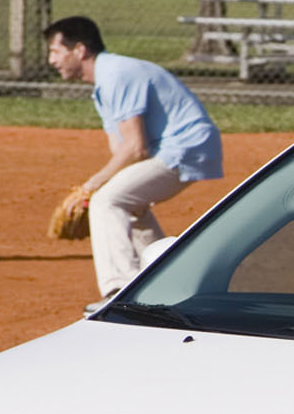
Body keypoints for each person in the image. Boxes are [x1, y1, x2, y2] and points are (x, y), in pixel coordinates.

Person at [45, 15, 224, 298]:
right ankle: (167, 278)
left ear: (79, 50)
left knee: (107, 200)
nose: (51, 60)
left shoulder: (117, 74)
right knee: (128, 202)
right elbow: (123, 152)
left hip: (186, 145)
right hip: (177, 147)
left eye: (55, 51)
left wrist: (91, 187)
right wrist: (99, 184)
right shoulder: (104, 84)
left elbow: (135, 147)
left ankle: (118, 288)